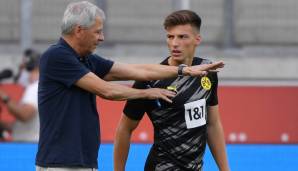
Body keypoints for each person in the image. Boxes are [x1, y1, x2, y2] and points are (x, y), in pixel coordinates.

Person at [35, 2, 224, 171]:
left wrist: (184, 71)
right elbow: (106, 91)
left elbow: (137, 70)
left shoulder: (87, 60)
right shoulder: (57, 57)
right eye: (98, 31)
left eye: (182, 37)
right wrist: (146, 93)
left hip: (84, 161)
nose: (102, 37)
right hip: (59, 163)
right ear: (79, 30)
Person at [114, 10, 230, 171]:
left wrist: (225, 169)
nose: (175, 43)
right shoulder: (150, 80)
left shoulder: (208, 71)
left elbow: (212, 124)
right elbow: (124, 129)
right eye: (170, 37)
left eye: (182, 37)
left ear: (197, 39)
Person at [0, 49, 40, 142]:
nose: (22, 73)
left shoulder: (35, 87)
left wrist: (4, 97)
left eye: (26, 69)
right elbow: (28, 124)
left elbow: (25, 115)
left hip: (29, 147)